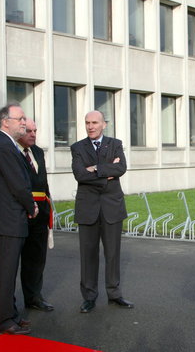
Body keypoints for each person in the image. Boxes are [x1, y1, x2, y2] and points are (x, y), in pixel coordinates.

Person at [0, 104, 39, 335]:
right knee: (6, 272)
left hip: (8, 218)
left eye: (24, 119)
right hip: (7, 219)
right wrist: (31, 205)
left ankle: (10, 314)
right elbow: (17, 184)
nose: (24, 123)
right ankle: (4, 320)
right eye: (20, 118)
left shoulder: (6, 145)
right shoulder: (3, 146)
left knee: (9, 270)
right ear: (6, 121)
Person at [71, 110, 133, 313]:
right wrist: (106, 171)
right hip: (88, 208)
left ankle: (114, 294)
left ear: (104, 124)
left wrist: (94, 169)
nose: (90, 126)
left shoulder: (115, 144)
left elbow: (121, 168)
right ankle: (89, 297)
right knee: (88, 255)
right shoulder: (78, 147)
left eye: (94, 122)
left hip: (111, 208)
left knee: (113, 254)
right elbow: (80, 175)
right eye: (87, 122)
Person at [17, 119, 54, 312]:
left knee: (37, 258)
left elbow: (43, 182)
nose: (33, 134)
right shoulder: (13, 152)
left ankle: (34, 297)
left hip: (41, 214)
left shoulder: (38, 152)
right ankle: (9, 305)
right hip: (20, 213)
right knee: (14, 260)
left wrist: (49, 206)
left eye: (35, 130)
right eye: (28, 131)